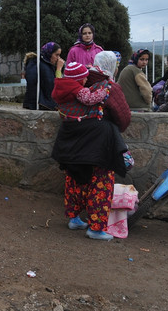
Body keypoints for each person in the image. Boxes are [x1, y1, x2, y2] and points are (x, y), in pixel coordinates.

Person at [51, 54, 131, 241]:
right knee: (101, 183)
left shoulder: (73, 81)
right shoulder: (108, 85)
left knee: (75, 177)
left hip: (70, 137)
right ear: (112, 66)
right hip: (97, 141)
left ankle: (74, 218)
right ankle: (96, 228)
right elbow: (123, 117)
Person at [22, 42, 64, 110]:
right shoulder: (40, 64)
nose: (58, 58)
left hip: (41, 102)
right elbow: (53, 86)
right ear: (50, 53)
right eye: (56, 55)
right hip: (39, 103)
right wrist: (58, 69)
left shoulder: (45, 64)